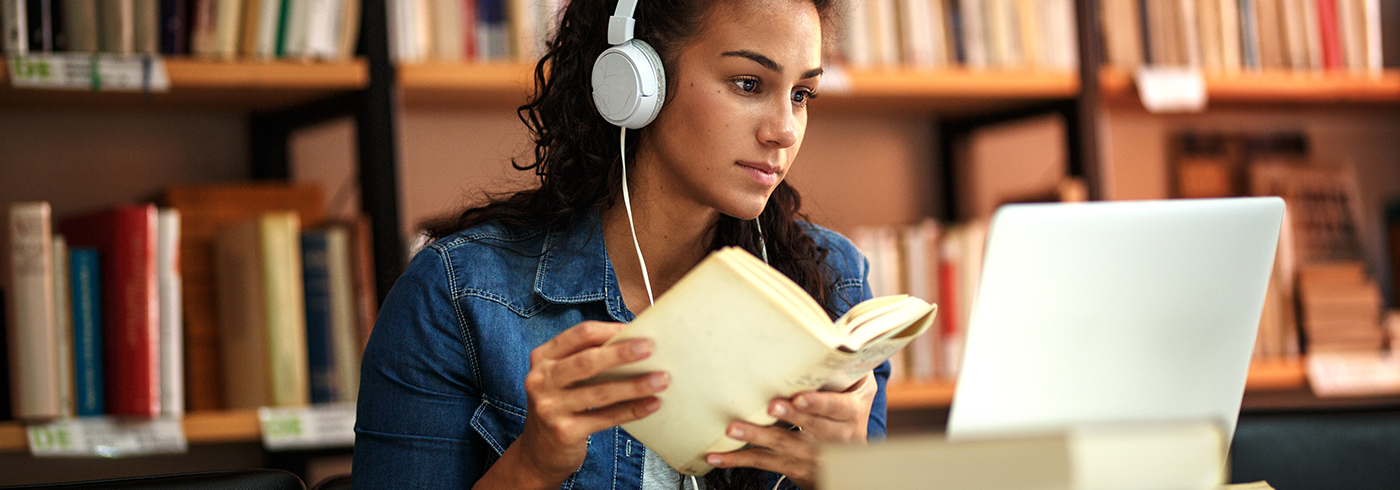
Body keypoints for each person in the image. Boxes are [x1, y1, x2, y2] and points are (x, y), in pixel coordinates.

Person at [352, 0, 890, 488]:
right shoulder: (455, 296)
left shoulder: (833, 283)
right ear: (635, 81)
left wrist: (846, 476)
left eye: (801, 95)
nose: (785, 130)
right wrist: (532, 466)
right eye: (749, 83)